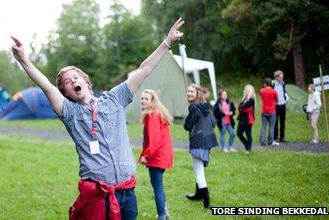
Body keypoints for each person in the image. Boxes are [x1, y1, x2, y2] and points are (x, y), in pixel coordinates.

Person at [11, 18, 184, 219]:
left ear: (84, 80)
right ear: (66, 92)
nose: (73, 80)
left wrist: (167, 42)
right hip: (98, 195)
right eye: (67, 82)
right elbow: (46, 86)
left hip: (128, 192)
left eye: (75, 77)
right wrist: (23, 59)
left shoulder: (114, 98)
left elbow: (143, 70)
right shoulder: (70, 112)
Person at [138, 89, 173, 219]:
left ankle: (162, 215)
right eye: (142, 98)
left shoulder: (151, 115)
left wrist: (146, 155)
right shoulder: (157, 114)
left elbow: (155, 140)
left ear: (152, 101)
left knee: (157, 187)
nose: (143, 100)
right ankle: (165, 211)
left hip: (156, 157)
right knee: (158, 186)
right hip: (161, 156)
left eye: (146, 99)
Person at [183, 84, 218, 209]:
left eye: (192, 91)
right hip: (207, 140)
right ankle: (198, 195)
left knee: (199, 173)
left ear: (197, 93)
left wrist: (188, 122)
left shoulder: (194, 107)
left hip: (198, 140)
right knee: (200, 170)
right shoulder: (206, 107)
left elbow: (187, 125)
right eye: (188, 91)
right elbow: (213, 123)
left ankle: (206, 201)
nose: (189, 93)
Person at [259, 77, 279, 146]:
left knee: (263, 126)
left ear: (265, 84)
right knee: (271, 126)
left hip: (264, 110)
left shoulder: (262, 91)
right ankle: (270, 141)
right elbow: (277, 100)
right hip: (272, 111)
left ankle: (262, 141)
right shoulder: (274, 91)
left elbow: (261, 97)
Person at [237, 84, 256, 153]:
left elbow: (243, 108)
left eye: (246, 90)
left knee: (248, 134)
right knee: (239, 133)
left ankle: (249, 149)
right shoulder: (244, 99)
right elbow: (240, 107)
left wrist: (241, 107)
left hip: (248, 119)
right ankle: (247, 145)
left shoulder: (251, 100)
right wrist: (241, 107)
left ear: (249, 91)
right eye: (244, 89)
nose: (244, 91)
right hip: (242, 119)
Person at [273, 70, 289, 143]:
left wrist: (286, 97)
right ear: (276, 77)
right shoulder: (273, 83)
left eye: (282, 77)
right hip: (276, 105)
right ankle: (275, 137)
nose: (282, 78)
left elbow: (284, 91)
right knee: (275, 122)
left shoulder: (283, 83)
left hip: (283, 104)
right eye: (280, 77)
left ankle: (282, 137)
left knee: (283, 122)